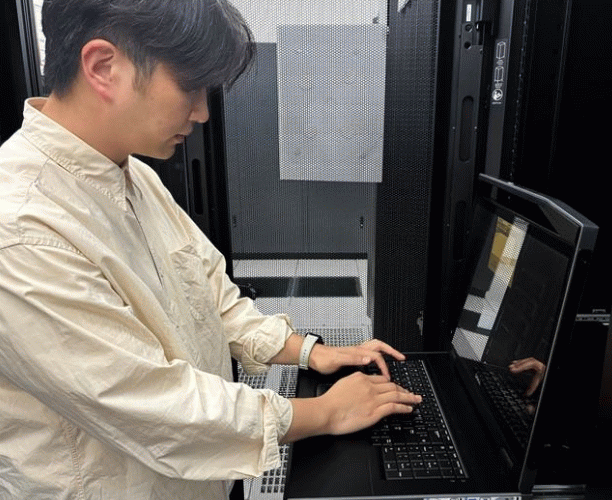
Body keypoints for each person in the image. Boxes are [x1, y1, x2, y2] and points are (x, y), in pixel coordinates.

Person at [0, 1, 421, 499]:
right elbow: (151, 406)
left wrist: (311, 352)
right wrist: (325, 412)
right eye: (190, 86)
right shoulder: (22, 227)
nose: (201, 111)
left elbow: (212, 299)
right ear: (103, 67)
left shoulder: (134, 177)